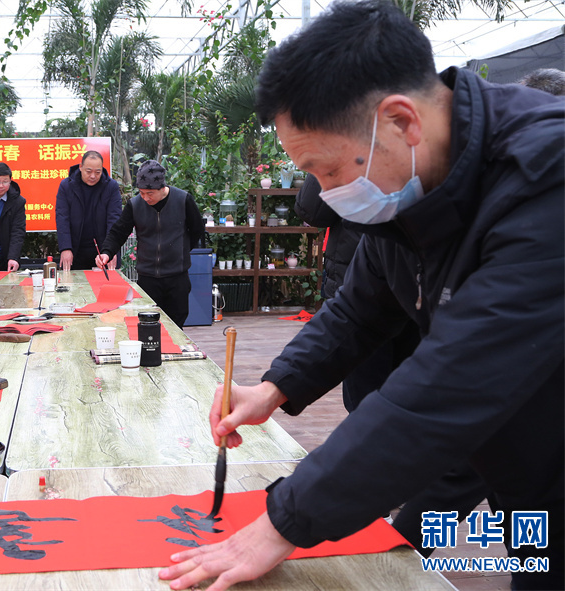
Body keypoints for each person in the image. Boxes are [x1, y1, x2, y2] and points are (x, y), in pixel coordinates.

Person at [159, 2, 563, 590]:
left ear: (401, 121)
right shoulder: (416, 184)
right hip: (518, 462)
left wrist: (281, 522)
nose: (325, 196)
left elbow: (449, 386)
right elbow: (358, 306)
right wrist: (274, 387)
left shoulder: (544, 177)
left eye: (326, 172)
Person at [295, 175, 488, 556]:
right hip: (398, 312)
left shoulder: (514, 208)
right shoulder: (385, 225)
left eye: (328, 168)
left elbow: (467, 411)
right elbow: (353, 313)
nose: (330, 184)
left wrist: (292, 513)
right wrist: (276, 386)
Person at [95, 159, 205, 328]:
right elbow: (119, 231)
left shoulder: (183, 200)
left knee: (176, 325)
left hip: (177, 277)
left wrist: (180, 251)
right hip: (147, 278)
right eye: (142, 192)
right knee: (147, 326)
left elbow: (197, 229)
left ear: (162, 187)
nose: (145, 197)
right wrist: (106, 252)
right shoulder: (135, 204)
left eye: (150, 193)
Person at [55, 150, 122, 271]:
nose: (93, 176)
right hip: (75, 249)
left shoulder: (111, 187)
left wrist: (110, 250)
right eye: (89, 171)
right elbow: (62, 218)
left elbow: (114, 220)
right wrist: (65, 248)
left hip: (103, 251)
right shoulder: (67, 186)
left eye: (98, 172)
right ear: (81, 167)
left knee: (106, 287)